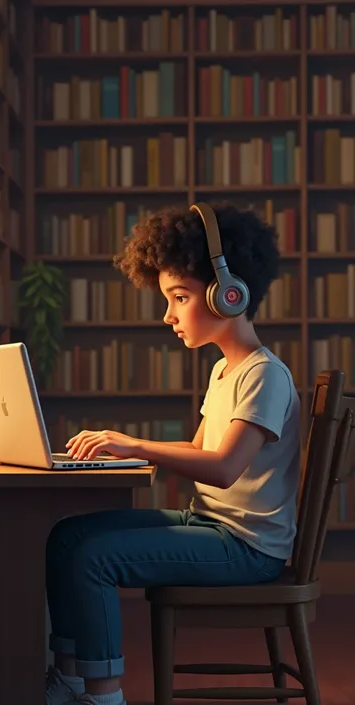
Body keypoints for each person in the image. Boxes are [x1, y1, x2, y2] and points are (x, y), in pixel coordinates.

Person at [45, 202, 301, 705]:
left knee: (94, 558)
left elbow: (225, 468)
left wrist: (138, 446)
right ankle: (70, 680)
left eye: (179, 297)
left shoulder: (263, 374)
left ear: (229, 295)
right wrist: (118, 446)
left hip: (247, 549)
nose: (168, 315)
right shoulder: (226, 371)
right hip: (211, 526)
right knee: (66, 536)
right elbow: (198, 448)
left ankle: (102, 695)